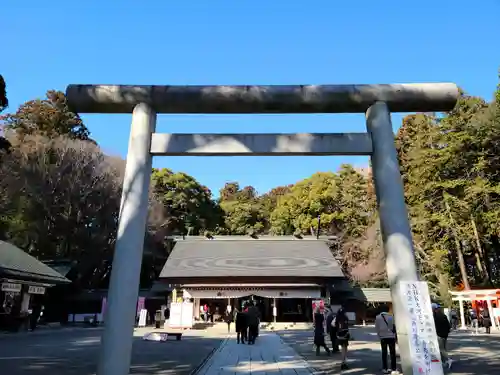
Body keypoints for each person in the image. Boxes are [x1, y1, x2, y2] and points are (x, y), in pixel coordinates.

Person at [375, 307, 397, 374]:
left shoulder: (377, 317)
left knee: (384, 353)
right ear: (387, 310)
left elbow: (377, 328)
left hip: (383, 337)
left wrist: (379, 336)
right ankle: (393, 369)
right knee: (392, 353)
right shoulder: (391, 317)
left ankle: (385, 368)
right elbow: (394, 327)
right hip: (391, 337)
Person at [432, 303, 453, 370]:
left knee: (441, 349)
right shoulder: (443, 315)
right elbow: (448, 325)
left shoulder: (434, 317)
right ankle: (443, 362)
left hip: (439, 335)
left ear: (434, 309)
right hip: (445, 334)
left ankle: (448, 359)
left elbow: (434, 326)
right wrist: (447, 332)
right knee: (443, 348)